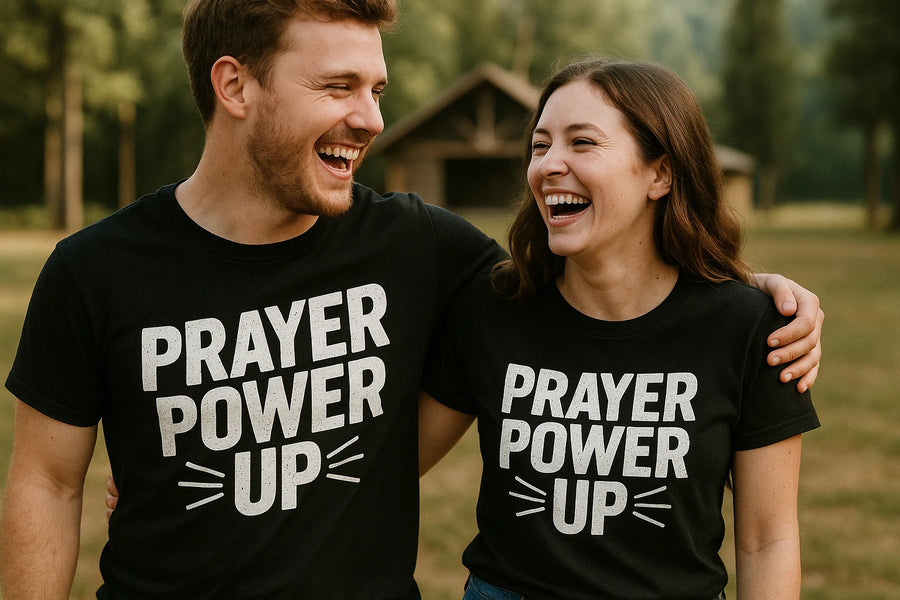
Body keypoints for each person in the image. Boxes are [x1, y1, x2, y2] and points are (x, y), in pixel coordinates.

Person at [0, 0, 821, 597]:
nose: (370, 118)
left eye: (377, 89)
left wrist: (752, 295)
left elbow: (605, 272)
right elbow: (47, 483)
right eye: (338, 86)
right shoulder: (93, 271)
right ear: (235, 85)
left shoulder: (420, 246)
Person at [419, 58, 821, 600]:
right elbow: (391, 467)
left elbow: (767, 540)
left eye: (582, 143)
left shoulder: (754, 327)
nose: (548, 165)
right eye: (540, 146)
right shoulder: (492, 307)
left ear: (661, 173)